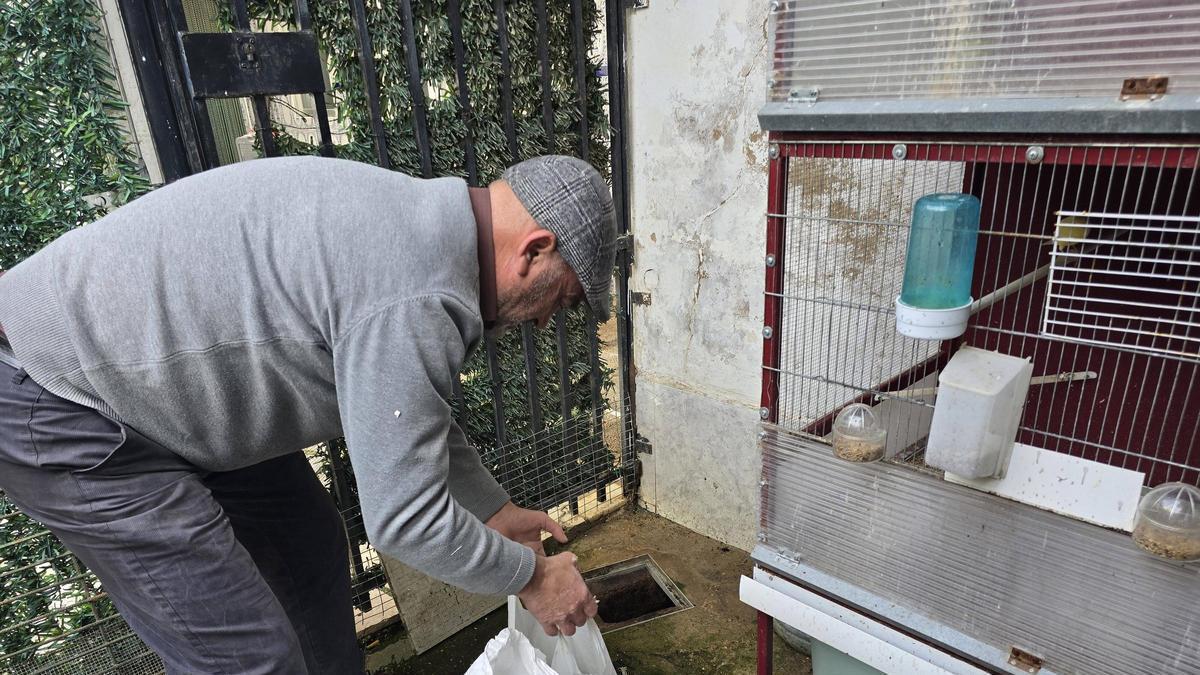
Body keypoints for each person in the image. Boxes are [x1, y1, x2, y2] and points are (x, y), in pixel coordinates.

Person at [0, 154, 616, 674]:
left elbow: (405, 412)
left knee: (306, 550)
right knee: (247, 657)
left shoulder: (426, 235)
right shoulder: (421, 292)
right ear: (533, 251)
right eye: (559, 302)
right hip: (63, 398)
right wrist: (531, 577)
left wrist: (493, 509)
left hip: (164, 392)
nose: (541, 322)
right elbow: (406, 520)